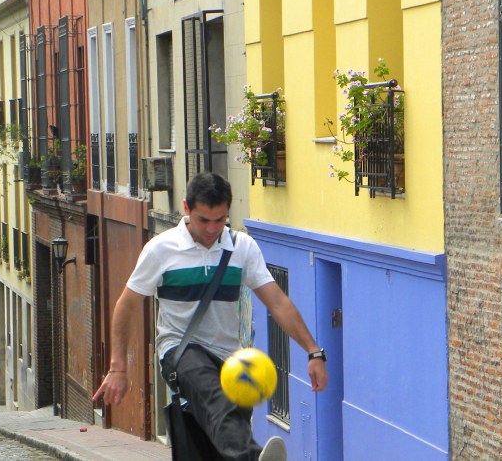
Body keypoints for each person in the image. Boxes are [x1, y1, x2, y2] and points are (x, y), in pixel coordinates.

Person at [93, 172, 328, 461]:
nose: (212, 229)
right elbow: (126, 305)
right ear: (186, 208)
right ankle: (251, 458)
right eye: (204, 220)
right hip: (180, 351)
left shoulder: (242, 247)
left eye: (221, 220)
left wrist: (313, 352)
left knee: (223, 429)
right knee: (214, 394)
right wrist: (118, 367)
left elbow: (278, 302)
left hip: (229, 356)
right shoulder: (161, 249)